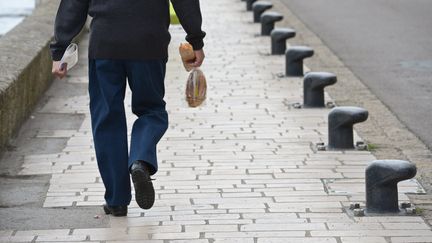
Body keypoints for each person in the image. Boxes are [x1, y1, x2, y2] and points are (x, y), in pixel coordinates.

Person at [50, 0, 206, 217]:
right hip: (149, 43)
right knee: (151, 111)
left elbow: (74, 3)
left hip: (105, 42)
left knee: (107, 118)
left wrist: (60, 49)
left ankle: (116, 200)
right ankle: (140, 159)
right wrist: (195, 39)